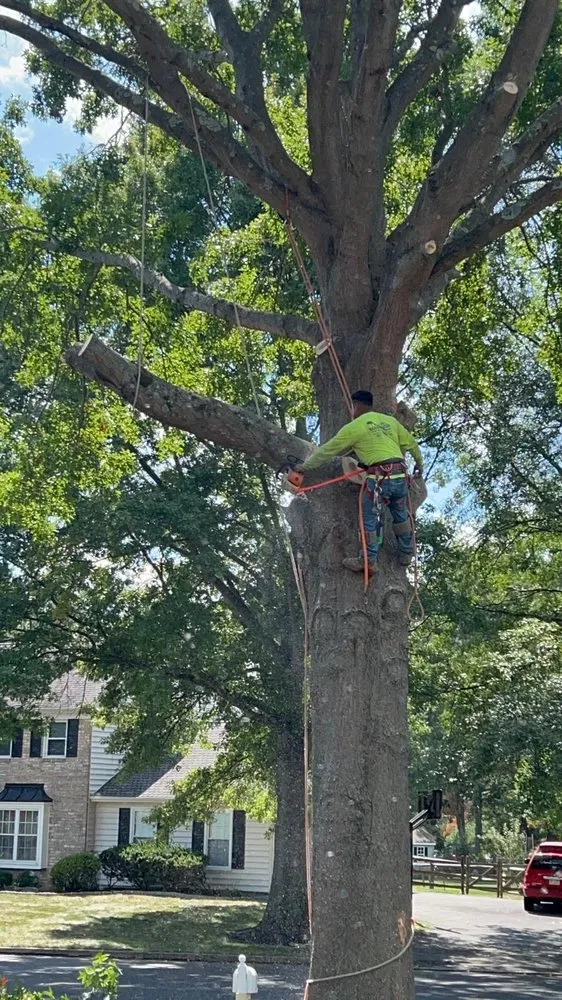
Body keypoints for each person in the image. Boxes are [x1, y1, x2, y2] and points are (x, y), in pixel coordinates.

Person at [297, 390, 423, 574]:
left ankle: (369, 560)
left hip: (378, 480)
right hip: (399, 477)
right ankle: (406, 553)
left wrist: (305, 467)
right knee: (401, 514)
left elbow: (328, 451)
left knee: (369, 518)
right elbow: (411, 443)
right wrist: (419, 463)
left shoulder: (355, 427)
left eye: (352, 406)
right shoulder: (390, 422)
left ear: (357, 405)